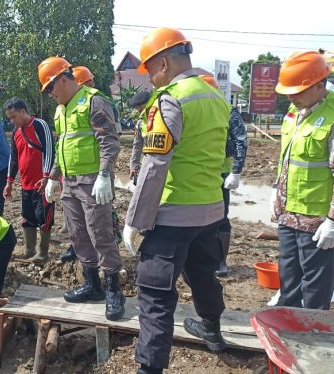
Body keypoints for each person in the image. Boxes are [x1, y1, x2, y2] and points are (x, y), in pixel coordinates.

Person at [121, 28, 230, 374]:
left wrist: (135, 221)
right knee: (203, 274)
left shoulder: (170, 99)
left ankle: (149, 368)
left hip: (173, 216)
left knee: (155, 294)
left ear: (164, 63)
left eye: (150, 71)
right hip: (211, 209)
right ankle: (212, 330)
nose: (150, 80)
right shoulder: (214, 96)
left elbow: (154, 166)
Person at [38, 56, 125, 321]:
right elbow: (64, 146)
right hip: (70, 183)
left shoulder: (93, 101)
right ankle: (92, 285)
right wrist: (54, 176)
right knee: (77, 234)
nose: (49, 95)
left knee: (101, 234)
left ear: (62, 80)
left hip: (91, 182)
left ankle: (113, 290)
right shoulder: (61, 111)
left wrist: (104, 175)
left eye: (49, 88)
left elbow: (109, 142)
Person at [271, 51, 334, 310]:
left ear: (319, 85)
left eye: (298, 91)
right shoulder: (294, 115)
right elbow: (288, 162)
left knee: (316, 292)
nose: (291, 97)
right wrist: (277, 198)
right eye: (289, 91)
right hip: (288, 216)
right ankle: (288, 334)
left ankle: (311, 342)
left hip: (317, 222)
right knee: (289, 285)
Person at [200, 74, 248, 278]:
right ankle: (200, 258)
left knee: (220, 218)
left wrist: (236, 171)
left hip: (220, 173)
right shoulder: (195, 110)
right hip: (196, 173)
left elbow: (240, 141)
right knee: (196, 218)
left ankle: (220, 261)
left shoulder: (228, 111)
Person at [3, 97, 55, 263]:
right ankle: (29, 249)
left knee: (44, 217)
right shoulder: (16, 133)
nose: (12, 121)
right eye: (9, 118)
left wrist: (47, 177)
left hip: (42, 184)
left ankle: (43, 252)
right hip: (26, 184)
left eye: (14, 117)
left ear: (23, 111)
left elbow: (49, 151)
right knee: (27, 217)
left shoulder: (40, 125)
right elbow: (14, 158)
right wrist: (9, 182)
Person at [128, 90, 152, 184]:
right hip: (147, 163)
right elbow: (137, 146)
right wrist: (133, 166)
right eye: (137, 107)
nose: (138, 110)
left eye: (140, 107)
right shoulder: (140, 123)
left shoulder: (161, 118)